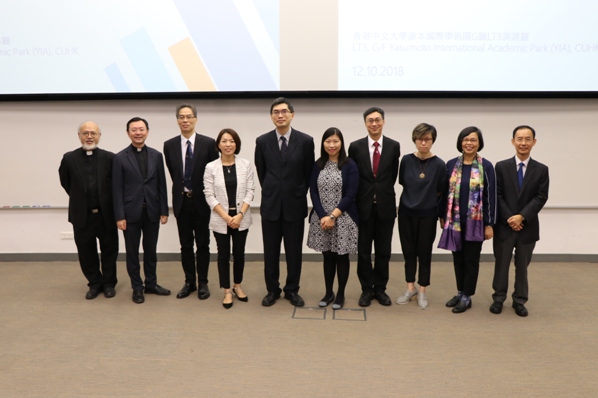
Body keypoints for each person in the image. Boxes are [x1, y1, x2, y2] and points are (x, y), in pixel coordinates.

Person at [255, 97, 315, 307]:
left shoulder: (306, 141)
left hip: (294, 206)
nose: (280, 115)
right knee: (270, 252)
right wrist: (274, 191)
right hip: (271, 206)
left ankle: (292, 290)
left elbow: (308, 173)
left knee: (294, 253)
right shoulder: (262, 142)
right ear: (272, 116)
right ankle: (272, 290)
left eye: (284, 112)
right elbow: (262, 173)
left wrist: (296, 192)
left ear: (292, 115)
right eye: (276, 112)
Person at [490, 125, 549, 317]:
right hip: (504, 226)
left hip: (527, 227)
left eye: (527, 139)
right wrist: (510, 218)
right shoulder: (501, 166)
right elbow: (497, 195)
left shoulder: (541, 169)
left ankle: (519, 300)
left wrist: (522, 216)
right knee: (501, 264)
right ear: (513, 141)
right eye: (519, 139)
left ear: (534, 142)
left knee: (522, 266)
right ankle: (498, 298)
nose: (523, 143)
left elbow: (541, 197)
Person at [438, 126, 496, 314]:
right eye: (465, 139)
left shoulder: (486, 166)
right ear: (460, 142)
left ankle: (467, 296)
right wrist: (442, 216)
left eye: (473, 140)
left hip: (476, 223)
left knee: (471, 260)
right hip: (454, 222)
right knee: (457, 259)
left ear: (479, 143)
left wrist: (489, 224)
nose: (469, 143)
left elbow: (491, 197)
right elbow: (444, 193)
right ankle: (460, 291)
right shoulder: (451, 164)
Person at [113, 117, 170, 304]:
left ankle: (151, 284)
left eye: (141, 129)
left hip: (152, 211)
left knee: (151, 250)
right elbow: (117, 189)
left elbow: (162, 184)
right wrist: (119, 215)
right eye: (134, 129)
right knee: (132, 252)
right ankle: (137, 287)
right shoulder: (120, 157)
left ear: (147, 131)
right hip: (130, 214)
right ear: (128, 132)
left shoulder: (156, 155)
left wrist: (164, 210)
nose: (138, 133)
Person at [164, 104, 218, 300]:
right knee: (185, 245)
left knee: (203, 244)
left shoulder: (209, 143)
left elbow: (214, 173)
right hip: (182, 202)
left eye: (188, 117)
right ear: (177, 120)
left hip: (202, 202)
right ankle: (189, 282)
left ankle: (203, 282)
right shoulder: (169, 145)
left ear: (196, 119)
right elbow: (174, 173)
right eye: (181, 117)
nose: (185, 120)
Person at [59, 121, 118, 299]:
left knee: (109, 250)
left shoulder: (110, 158)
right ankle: (94, 283)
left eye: (93, 133)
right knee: (86, 252)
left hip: (105, 214)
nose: (89, 136)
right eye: (85, 133)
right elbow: (66, 183)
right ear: (79, 136)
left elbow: (115, 185)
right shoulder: (69, 158)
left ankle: (108, 283)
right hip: (81, 215)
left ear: (99, 136)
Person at [348, 107, 401, 307]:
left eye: (377, 120)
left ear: (383, 122)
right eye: (370, 120)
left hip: (386, 206)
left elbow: (391, 176)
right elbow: (353, 177)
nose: (374, 124)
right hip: (362, 207)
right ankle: (366, 289)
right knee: (363, 251)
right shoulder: (355, 146)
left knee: (383, 251)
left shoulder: (394, 146)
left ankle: (380, 289)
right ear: (365, 123)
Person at [396, 123, 447, 309]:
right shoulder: (407, 160)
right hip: (406, 213)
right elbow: (403, 182)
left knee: (424, 254)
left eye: (427, 139)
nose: (423, 142)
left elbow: (441, 191)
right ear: (414, 140)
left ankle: (423, 290)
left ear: (433, 141)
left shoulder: (440, 164)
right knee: (408, 252)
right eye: (420, 139)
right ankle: (410, 288)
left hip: (427, 215)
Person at [307, 128, 359, 310]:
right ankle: (328, 292)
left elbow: (351, 194)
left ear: (341, 143)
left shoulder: (349, 165)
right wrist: (323, 216)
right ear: (323, 143)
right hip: (322, 219)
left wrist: (333, 215)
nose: (332, 145)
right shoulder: (318, 164)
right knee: (327, 256)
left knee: (341, 257)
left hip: (343, 219)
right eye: (328, 141)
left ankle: (341, 294)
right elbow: (313, 191)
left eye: (335, 141)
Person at [204, 129, 254, 309]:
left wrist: (239, 215)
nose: (228, 144)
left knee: (239, 254)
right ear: (218, 144)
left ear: (236, 144)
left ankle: (237, 286)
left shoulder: (246, 165)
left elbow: (250, 191)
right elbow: (209, 195)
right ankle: (226, 290)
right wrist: (226, 217)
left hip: (241, 218)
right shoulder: (211, 167)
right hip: (220, 219)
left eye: (231, 141)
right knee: (223, 256)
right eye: (224, 141)